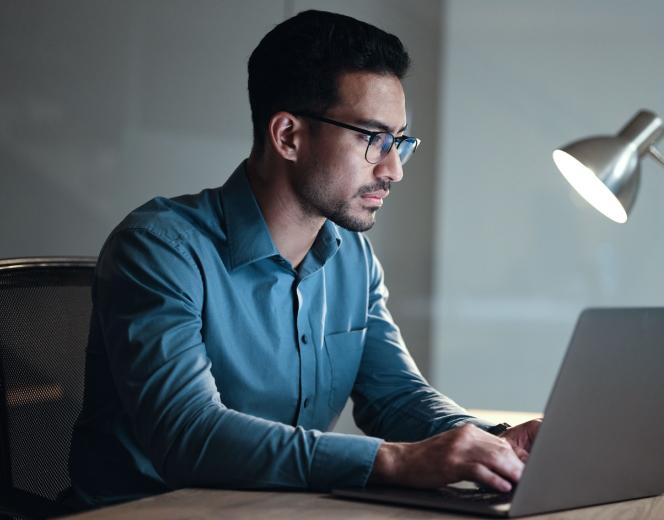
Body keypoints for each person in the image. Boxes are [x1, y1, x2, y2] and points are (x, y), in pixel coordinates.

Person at [68, 9, 540, 508]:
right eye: (373, 139)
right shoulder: (160, 249)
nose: (394, 169)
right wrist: (396, 462)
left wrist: (494, 440)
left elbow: (397, 396)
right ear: (288, 136)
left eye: (400, 141)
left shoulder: (352, 257)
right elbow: (190, 434)